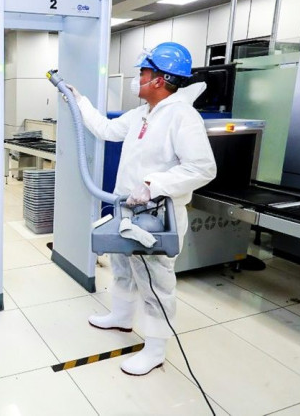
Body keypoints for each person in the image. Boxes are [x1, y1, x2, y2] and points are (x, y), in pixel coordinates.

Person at [67, 42, 216, 376]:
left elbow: (203, 168)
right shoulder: (141, 114)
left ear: (160, 79)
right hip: (127, 214)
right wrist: (81, 102)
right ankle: (121, 317)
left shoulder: (182, 116)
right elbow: (105, 129)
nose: (138, 79)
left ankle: (156, 350)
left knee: (155, 283)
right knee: (122, 267)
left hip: (156, 218)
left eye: (143, 73)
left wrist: (153, 185)